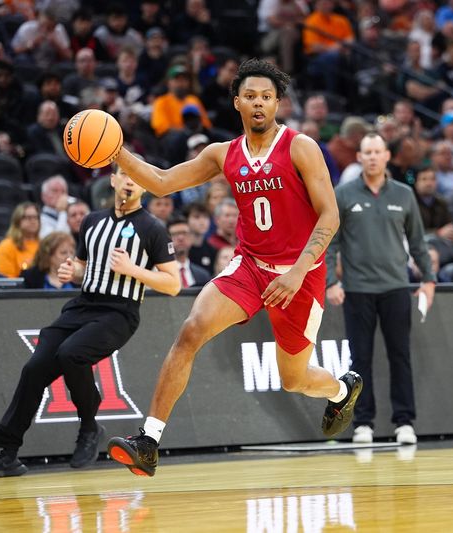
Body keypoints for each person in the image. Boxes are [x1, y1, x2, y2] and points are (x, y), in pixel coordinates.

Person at [105, 58, 362, 477]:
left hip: (301, 273)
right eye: (250, 96)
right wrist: (118, 153)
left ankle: (341, 388)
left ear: (278, 102)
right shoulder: (222, 154)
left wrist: (297, 272)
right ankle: (148, 441)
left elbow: (329, 216)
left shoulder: (300, 147)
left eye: (266, 97)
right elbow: (163, 181)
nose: (258, 103)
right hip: (250, 266)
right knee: (190, 331)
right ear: (236, 102)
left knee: (294, 379)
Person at [0, 166, 180, 478]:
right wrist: (73, 272)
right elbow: (86, 267)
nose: (129, 181)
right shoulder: (92, 221)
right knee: (34, 369)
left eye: (137, 178)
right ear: (112, 181)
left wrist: (133, 270)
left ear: (146, 186)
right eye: (124, 175)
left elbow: (173, 283)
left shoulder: (152, 228)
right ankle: (8, 453)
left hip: (119, 312)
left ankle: (88, 427)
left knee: (72, 353)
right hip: (83, 305)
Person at [325, 133, 435, 445]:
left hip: (396, 287)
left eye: (377, 151)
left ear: (387, 156)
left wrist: (428, 279)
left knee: (400, 356)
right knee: (360, 360)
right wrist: (331, 282)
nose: (372, 157)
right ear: (359, 157)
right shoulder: (343, 194)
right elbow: (330, 243)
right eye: (367, 152)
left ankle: (404, 422)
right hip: (357, 290)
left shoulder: (403, 194)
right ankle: (363, 423)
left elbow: (417, 242)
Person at [0, 202, 40, 278]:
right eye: (28, 217)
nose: (33, 221)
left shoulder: (44, 244)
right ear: (18, 220)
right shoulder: (6, 246)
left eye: (36, 217)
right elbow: (7, 281)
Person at [167, 216, 211, 289]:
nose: (181, 238)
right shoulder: (159, 273)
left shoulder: (203, 275)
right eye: (175, 234)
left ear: (191, 237)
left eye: (185, 233)